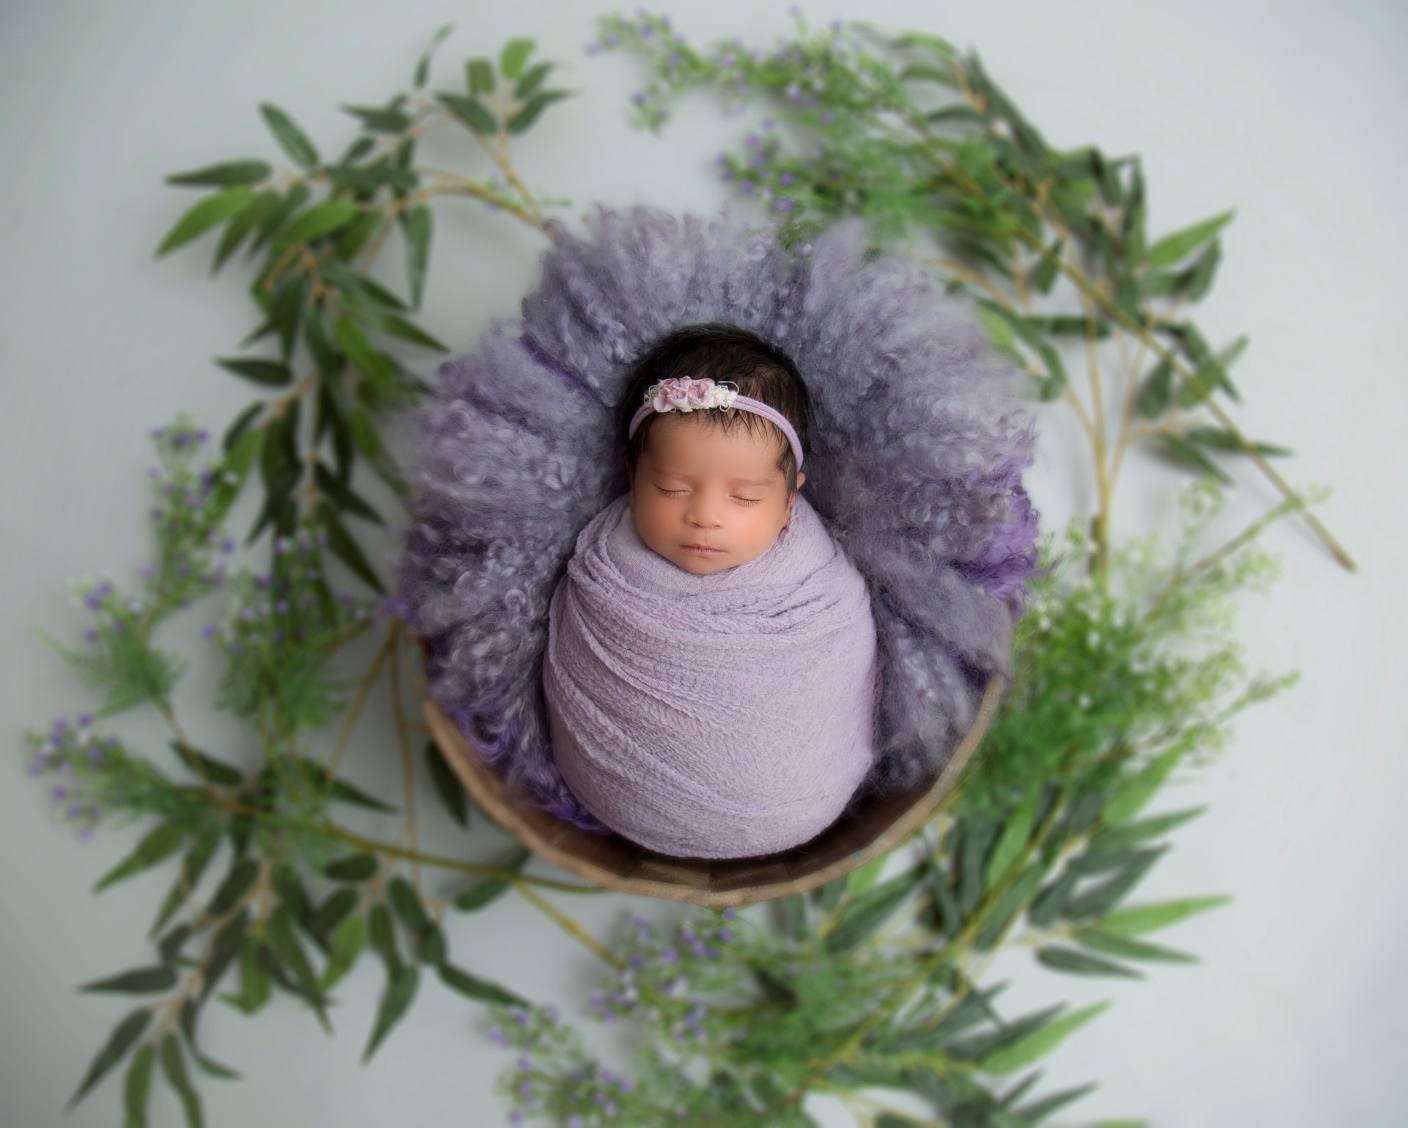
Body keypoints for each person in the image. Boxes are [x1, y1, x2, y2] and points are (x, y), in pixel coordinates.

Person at [541, 324, 880, 859]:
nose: (704, 516)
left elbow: (840, 667)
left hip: (803, 801)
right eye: (671, 488)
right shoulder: (604, 565)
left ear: (790, 500)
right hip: (619, 798)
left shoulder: (819, 584)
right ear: (632, 476)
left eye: (745, 497)